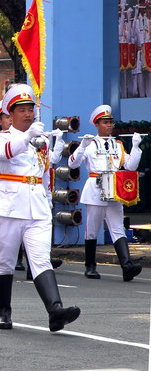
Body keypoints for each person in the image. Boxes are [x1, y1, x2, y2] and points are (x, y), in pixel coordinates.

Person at [0, 84, 80, 332]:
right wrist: (27, 137)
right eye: (22, 110)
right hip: (9, 207)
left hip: (37, 207)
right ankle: (3, 312)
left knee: (40, 260)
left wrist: (54, 144)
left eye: (31, 110)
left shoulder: (41, 139)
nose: (28, 114)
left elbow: (45, 168)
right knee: (5, 260)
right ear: (11, 113)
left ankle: (55, 311)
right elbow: (6, 153)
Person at [68, 104, 143, 282]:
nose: (109, 125)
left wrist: (136, 148)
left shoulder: (118, 144)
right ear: (97, 124)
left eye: (110, 122)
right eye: (105, 122)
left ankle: (127, 266)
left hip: (115, 190)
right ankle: (90, 266)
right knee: (93, 230)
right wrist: (81, 147)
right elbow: (72, 164)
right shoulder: (89, 143)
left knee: (118, 229)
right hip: (95, 189)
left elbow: (131, 166)